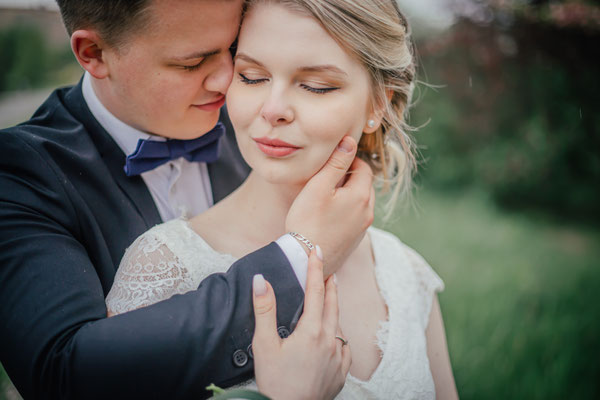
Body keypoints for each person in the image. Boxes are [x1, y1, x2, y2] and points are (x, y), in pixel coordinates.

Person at [0, 0, 374, 399]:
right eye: (192, 63)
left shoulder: (260, 126)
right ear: (94, 53)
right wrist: (302, 256)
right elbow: (63, 374)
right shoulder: (21, 173)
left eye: (232, 52)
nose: (226, 79)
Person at [107, 0, 459, 399]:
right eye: (252, 77)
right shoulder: (162, 269)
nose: (272, 110)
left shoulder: (407, 275)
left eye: (316, 86)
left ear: (378, 104)